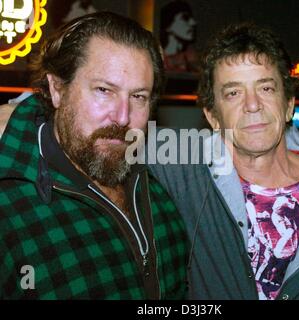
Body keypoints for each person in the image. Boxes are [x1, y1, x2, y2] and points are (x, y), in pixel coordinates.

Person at [148, 23, 299, 299]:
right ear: (212, 116)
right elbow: (114, 131)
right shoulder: (187, 169)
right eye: (233, 93)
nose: (252, 104)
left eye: (266, 88)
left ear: (289, 104)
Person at [0, 12, 189, 299]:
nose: (123, 117)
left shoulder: (163, 185)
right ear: (56, 89)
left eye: (138, 96)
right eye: (104, 90)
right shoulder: (10, 202)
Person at [159, 0, 198, 73]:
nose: (193, 23)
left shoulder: (191, 57)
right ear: (168, 25)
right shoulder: (158, 57)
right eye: (185, 18)